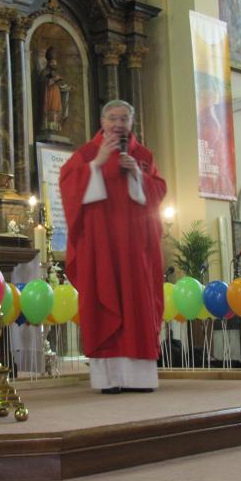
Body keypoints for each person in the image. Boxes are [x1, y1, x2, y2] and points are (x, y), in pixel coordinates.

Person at [60, 99, 166, 394]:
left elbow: (158, 189)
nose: (118, 124)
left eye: (124, 119)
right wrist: (95, 165)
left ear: (131, 123)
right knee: (103, 298)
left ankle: (139, 379)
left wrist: (138, 176)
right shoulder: (85, 154)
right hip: (101, 248)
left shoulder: (143, 156)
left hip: (135, 249)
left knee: (137, 305)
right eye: (112, 118)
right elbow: (68, 188)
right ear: (102, 121)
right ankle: (109, 380)